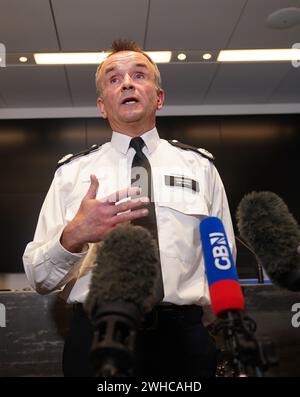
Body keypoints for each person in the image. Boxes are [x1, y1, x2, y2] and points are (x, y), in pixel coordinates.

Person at [23, 39, 236, 377]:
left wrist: (206, 321)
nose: (126, 83)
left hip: (182, 341)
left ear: (159, 98)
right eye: (113, 78)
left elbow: (223, 258)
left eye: (139, 75)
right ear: (102, 106)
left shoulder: (201, 167)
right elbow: (38, 277)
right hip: (96, 337)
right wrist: (74, 236)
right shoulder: (70, 173)